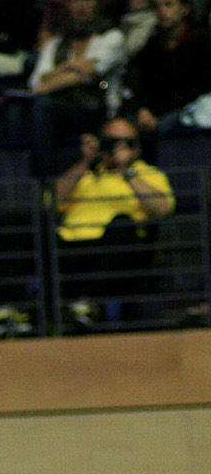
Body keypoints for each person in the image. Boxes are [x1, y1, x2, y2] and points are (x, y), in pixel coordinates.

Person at [55, 117, 175, 327]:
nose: (118, 148)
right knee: (18, 221)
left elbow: (162, 209)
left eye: (126, 142)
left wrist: (126, 171)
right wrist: (85, 161)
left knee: (122, 224)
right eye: (111, 142)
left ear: (137, 147)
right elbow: (52, 200)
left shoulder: (147, 173)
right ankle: (9, 311)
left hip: (115, 249)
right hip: (70, 246)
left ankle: (89, 304)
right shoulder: (85, 173)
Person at [8, 0, 126, 175]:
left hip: (98, 112)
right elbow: (37, 80)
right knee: (15, 109)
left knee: (42, 105)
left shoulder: (112, 37)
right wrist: (71, 66)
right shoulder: (54, 44)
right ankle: (18, 178)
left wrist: (49, 81)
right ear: (67, 4)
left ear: (98, 2)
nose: (81, 6)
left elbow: (87, 74)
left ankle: (46, 183)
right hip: (63, 111)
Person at [127, 0, 211, 135]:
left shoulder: (201, 43)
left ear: (185, 8)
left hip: (190, 113)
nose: (162, 11)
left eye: (168, 5)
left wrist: (159, 117)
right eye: (157, 6)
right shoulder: (152, 46)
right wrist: (143, 109)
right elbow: (140, 84)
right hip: (152, 114)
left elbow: (199, 91)